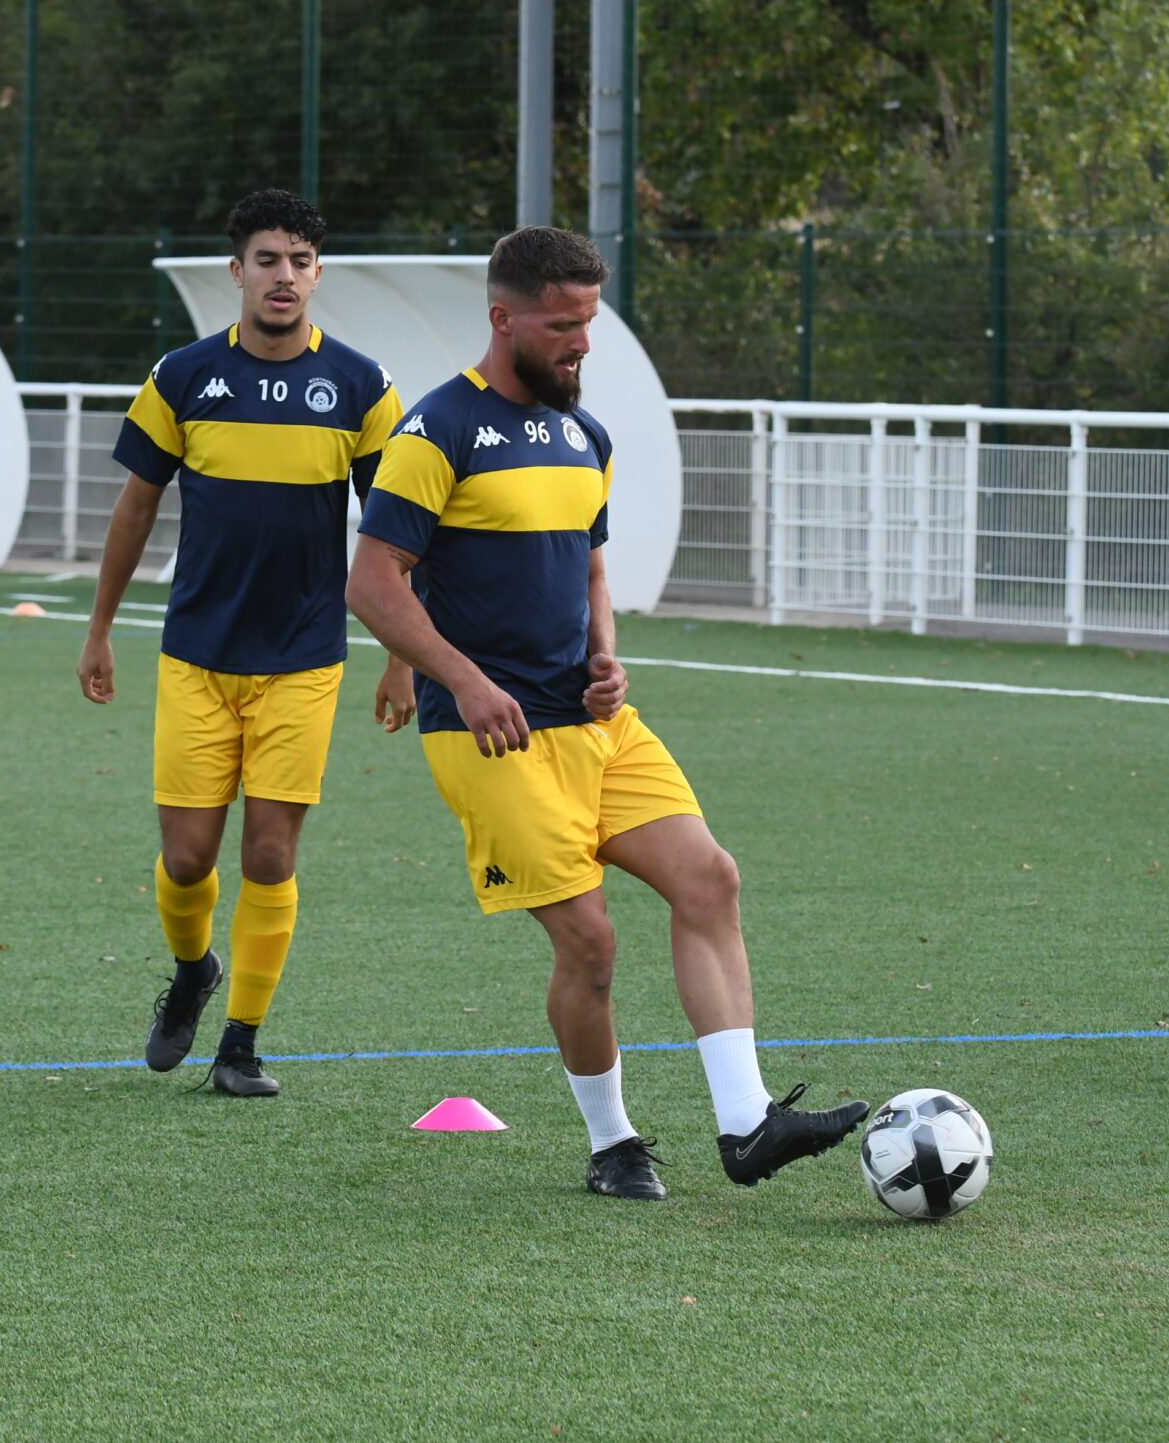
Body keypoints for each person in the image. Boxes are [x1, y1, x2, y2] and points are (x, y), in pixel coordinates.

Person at [346, 225, 864, 1200]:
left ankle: (747, 1122)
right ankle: (612, 1141)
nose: (581, 343)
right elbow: (373, 584)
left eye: (588, 322)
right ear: (504, 319)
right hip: (492, 736)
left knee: (709, 878)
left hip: (596, 724)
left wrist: (607, 656)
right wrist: (462, 679)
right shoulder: (435, 431)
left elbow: (589, 569)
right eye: (562, 325)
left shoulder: (585, 436)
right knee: (590, 942)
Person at [77, 188, 408, 1096]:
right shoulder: (182, 376)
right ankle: (194, 969)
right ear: (238, 271)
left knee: (269, 854)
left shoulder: (362, 386)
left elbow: (396, 530)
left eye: (300, 261)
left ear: (317, 274)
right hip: (196, 654)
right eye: (268, 260)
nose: (284, 275)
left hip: (304, 659)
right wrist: (99, 629)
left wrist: (403, 655)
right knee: (187, 858)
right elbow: (135, 507)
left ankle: (241, 1045)